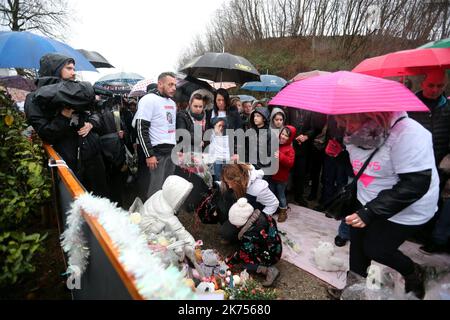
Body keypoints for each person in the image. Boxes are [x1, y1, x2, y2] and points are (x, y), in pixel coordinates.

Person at [328, 111, 439, 300]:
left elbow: (415, 184)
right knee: (357, 248)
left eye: (351, 120)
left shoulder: (409, 133)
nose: (347, 127)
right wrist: (337, 154)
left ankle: (413, 271)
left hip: (405, 208)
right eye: (342, 120)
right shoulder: (350, 131)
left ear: (372, 115)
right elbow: (360, 165)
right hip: (366, 198)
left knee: (376, 249)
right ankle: (353, 293)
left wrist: (371, 212)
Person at [25, 53, 108, 197]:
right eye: (69, 68)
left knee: (101, 201)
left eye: (74, 68)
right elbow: (46, 134)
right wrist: (64, 115)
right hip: (67, 163)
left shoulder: (78, 92)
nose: (73, 72)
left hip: (92, 157)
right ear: (55, 70)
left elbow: (97, 113)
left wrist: (91, 123)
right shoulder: (34, 99)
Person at [409, 69, 450, 254]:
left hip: (439, 163)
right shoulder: (410, 105)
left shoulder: (447, 108)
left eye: (440, 86)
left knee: (432, 201)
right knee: (410, 198)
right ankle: (407, 231)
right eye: (431, 85)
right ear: (422, 84)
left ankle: (425, 233)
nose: (435, 90)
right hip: (413, 163)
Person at [132, 72, 177, 200]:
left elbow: (171, 128)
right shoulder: (148, 99)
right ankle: (149, 217)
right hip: (156, 154)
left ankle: (162, 214)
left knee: (167, 188)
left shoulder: (172, 104)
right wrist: (149, 154)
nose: (174, 88)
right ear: (160, 84)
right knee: (154, 191)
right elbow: (141, 128)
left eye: (175, 85)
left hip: (170, 153)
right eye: (170, 84)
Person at [226, 198, 282, 287]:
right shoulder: (263, 215)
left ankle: (269, 270)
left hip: (270, 255)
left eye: (236, 224)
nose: (235, 226)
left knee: (245, 265)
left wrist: (229, 261)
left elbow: (244, 252)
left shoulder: (249, 235)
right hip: (276, 247)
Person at [219, 163, 279, 243]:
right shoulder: (240, 181)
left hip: (253, 217)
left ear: (238, 181)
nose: (229, 186)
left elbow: (274, 203)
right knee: (224, 231)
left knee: (228, 233)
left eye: (230, 183)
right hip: (242, 211)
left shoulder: (258, 188)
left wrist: (256, 220)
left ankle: (245, 236)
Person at [206, 89, 241, 181]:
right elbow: (207, 130)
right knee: (217, 176)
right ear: (215, 100)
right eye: (218, 100)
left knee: (229, 176)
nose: (221, 103)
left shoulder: (233, 113)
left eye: (223, 100)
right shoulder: (210, 112)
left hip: (229, 149)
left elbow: (239, 131)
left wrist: (237, 151)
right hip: (216, 148)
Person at [270, 126, 296, 222]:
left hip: (281, 178)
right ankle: (272, 209)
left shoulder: (290, 149)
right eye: (282, 134)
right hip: (272, 175)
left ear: (290, 138)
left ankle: (283, 211)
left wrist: (280, 156)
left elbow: (290, 163)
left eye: (286, 135)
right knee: (271, 193)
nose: (283, 136)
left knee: (281, 195)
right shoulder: (276, 144)